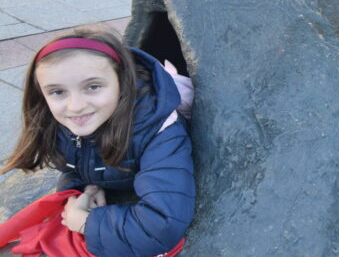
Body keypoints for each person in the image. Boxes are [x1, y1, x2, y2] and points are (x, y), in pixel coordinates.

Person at [1, 27, 195, 256]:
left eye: (93, 87)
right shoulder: (59, 122)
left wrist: (85, 222)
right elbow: (75, 163)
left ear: (123, 83)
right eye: (57, 92)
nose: (76, 106)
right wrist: (83, 189)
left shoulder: (158, 131)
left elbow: (162, 226)